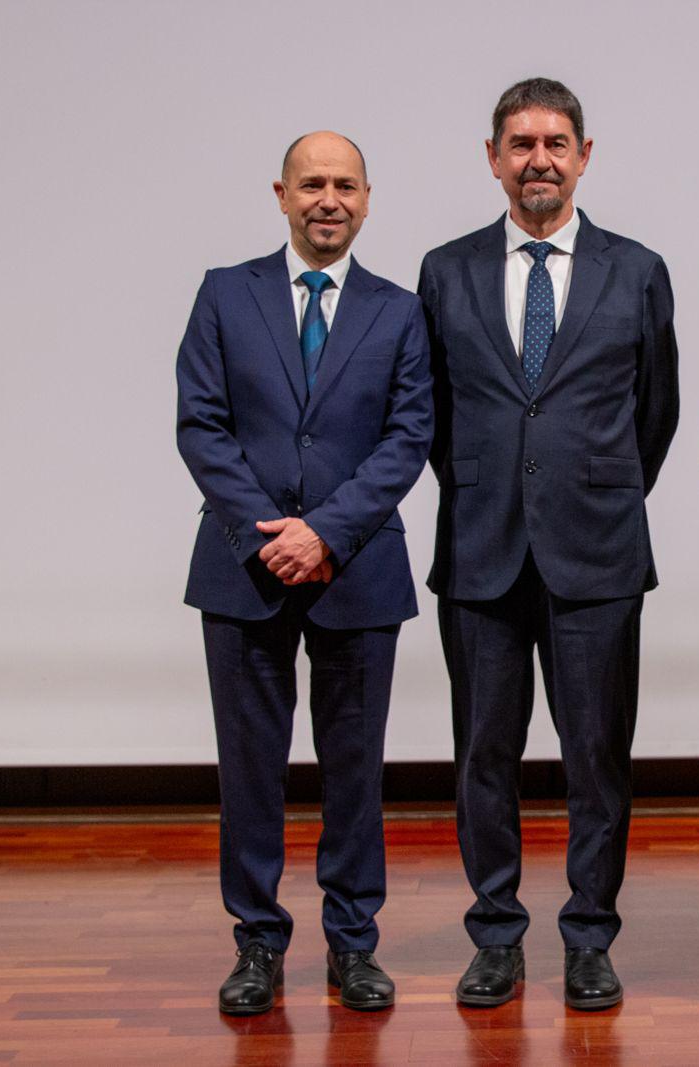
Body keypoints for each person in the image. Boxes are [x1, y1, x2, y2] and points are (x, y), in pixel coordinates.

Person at [416, 77, 679, 1012]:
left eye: (555, 142)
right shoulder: (444, 271)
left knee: (597, 756)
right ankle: (495, 934)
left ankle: (588, 938)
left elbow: (657, 412)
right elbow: (434, 415)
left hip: (598, 554)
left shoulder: (636, 268)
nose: (539, 159)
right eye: (520, 143)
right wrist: (494, 491)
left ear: (585, 155)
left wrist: (596, 491)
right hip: (481, 551)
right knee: (483, 754)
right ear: (493, 157)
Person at [176, 131, 432, 1015]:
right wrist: (269, 537)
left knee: (355, 770)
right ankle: (256, 942)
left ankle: (353, 944)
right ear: (280, 195)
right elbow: (201, 426)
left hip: (355, 568)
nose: (329, 199)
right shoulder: (224, 294)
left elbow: (409, 437)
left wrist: (323, 533)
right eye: (311, 184)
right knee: (250, 769)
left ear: (368, 199)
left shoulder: (400, 311)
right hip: (243, 570)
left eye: (346, 185)